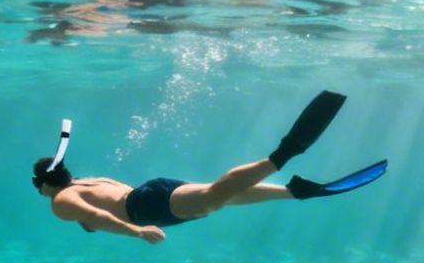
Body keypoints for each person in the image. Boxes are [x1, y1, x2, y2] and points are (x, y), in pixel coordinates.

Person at [31, 91, 386, 243]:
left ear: (46, 184)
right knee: (223, 196)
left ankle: (283, 155)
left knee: (214, 197)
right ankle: (294, 191)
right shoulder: (88, 181)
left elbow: (97, 219)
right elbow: (108, 203)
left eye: (38, 185)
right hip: (151, 190)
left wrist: (137, 232)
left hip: (145, 207)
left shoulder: (61, 201)